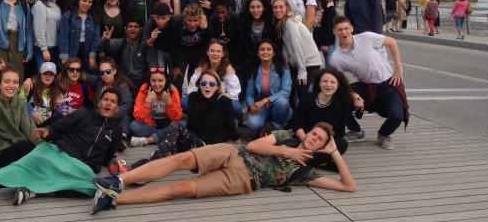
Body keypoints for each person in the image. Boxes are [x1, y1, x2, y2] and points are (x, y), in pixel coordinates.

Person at [90, 121, 356, 213]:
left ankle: (113, 200)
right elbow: (254, 146)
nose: (314, 138)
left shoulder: (305, 172)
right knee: (181, 160)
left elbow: (348, 186)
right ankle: (119, 181)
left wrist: (335, 152)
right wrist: (288, 150)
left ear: (322, 146)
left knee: (180, 188)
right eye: (314, 133)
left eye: (320, 139)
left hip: (243, 180)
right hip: (234, 153)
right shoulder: (287, 137)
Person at [0, 89, 123, 218]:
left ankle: (34, 192)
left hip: (81, 169)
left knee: (93, 188)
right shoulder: (83, 114)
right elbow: (59, 127)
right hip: (56, 154)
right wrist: (47, 131)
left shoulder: (115, 129)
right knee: (9, 172)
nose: (108, 103)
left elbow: (108, 156)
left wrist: (115, 164)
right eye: (105, 99)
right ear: (99, 102)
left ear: (118, 108)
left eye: (113, 102)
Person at [110, 69, 240, 174]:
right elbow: (192, 125)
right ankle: (134, 170)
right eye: (204, 83)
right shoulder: (193, 97)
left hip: (209, 147)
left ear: (217, 86)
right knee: (163, 149)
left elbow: (231, 128)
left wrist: (240, 149)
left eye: (211, 84)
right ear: (199, 84)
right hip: (193, 141)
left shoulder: (224, 101)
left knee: (174, 129)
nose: (207, 86)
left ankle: (138, 169)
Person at [330, 16, 410, 150]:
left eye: (346, 28)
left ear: (351, 29)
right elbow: (338, 83)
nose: (344, 32)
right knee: (337, 101)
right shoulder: (336, 58)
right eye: (340, 30)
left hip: (389, 82)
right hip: (367, 85)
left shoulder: (366, 37)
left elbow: (392, 42)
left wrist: (398, 66)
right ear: (334, 32)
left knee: (397, 116)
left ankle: (384, 134)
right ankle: (356, 131)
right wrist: (354, 96)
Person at [291, 67, 357, 168]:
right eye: (325, 81)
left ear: (338, 85)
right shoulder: (307, 98)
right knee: (289, 142)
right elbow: (297, 124)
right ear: (319, 83)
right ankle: (320, 163)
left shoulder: (341, 104)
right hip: (303, 140)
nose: (328, 85)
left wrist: (320, 146)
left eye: (332, 82)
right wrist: (306, 143)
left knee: (342, 143)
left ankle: (306, 161)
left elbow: (339, 133)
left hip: (323, 145)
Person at [272, 0, 322, 104]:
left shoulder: (291, 22)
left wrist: (302, 71)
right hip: (298, 62)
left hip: (309, 62)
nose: (278, 10)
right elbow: (286, 45)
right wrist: (286, 62)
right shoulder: (283, 22)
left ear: (287, 7)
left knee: (302, 92)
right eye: (275, 7)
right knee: (292, 89)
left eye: (281, 7)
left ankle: (308, 113)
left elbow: (297, 45)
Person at [184, 39, 242, 117]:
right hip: (203, 99)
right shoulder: (201, 67)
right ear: (207, 52)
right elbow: (191, 90)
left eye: (218, 51)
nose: (215, 54)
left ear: (223, 54)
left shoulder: (228, 69)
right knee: (184, 102)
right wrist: (204, 98)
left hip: (222, 100)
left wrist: (217, 100)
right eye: (212, 51)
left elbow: (233, 94)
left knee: (237, 107)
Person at [84, 58, 134, 149]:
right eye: (102, 73)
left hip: (115, 116)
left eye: (108, 71)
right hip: (99, 115)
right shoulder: (99, 82)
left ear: (114, 71)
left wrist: (112, 115)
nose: (105, 75)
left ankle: (121, 139)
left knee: (125, 117)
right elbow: (83, 75)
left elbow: (127, 105)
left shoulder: (122, 86)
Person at [245, 39, 293, 132]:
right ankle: (268, 125)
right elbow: (249, 94)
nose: (265, 52)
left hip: (279, 106)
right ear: (258, 53)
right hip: (262, 106)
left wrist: (265, 100)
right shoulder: (254, 70)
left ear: (273, 53)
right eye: (262, 49)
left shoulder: (283, 68)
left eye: (269, 49)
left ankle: (278, 127)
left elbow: (286, 91)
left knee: (282, 101)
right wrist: (251, 106)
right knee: (253, 124)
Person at [101, 17, 158, 93]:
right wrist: (105, 40)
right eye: (130, 26)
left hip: (142, 81)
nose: (133, 29)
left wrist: (152, 78)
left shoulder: (146, 44)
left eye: (136, 27)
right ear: (126, 30)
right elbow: (106, 47)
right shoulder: (120, 43)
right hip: (123, 80)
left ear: (140, 30)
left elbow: (153, 64)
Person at [130, 67, 183, 147]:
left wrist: (169, 101)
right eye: (153, 81)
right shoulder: (144, 89)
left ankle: (148, 140)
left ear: (166, 81)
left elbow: (177, 118)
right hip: (149, 122)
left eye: (160, 81)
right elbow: (138, 117)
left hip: (167, 121)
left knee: (183, 124)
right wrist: (148, 100)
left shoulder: (172, 90)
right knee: (134, 126)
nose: (157, 84)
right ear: (149, 81)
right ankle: (166, 133)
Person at [170, 4, 210, 91]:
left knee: (195, 80)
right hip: (181, 53)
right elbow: (173, 46)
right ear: (185, 18)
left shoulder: (206, 24)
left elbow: (210, 43)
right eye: (189, 20)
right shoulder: (177, 24)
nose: (192, 24)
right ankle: (177, 99)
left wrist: (205, 29)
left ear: (200, 19)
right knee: (177, 79)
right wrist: (175, 66)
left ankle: (193, 98)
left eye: (195, 20)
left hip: (198, 53)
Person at [58, 0, 100, 70]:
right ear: (78, 0)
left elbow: (96, 38)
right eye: (84, 1)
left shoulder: (94, 17)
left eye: (90, 2)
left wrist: (92, 55)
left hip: (87, 52)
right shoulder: (68, 16)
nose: (87, 4)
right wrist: (64, 56)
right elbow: (63, 37)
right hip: (71, 51)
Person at [303, 0, 337, 66]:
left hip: (327, 39)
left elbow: (330, 21)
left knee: (331, 67)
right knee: (311, 68)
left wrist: (326, 42)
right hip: (310, 39)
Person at [32, 0, 65, 71]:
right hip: (43, 48)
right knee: (43, 75)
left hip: (56, 47)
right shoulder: (40, 4)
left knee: (53, 76)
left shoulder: (57, 4)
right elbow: (39, 28)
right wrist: (44, 49)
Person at [20, 62, 63, 127]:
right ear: (40, 75)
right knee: (27, 104)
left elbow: (61, 110)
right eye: (45, 74)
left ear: (54, 77)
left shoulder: (57, 91)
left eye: (51, 74)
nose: (48, 77)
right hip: (29, 122)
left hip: (47, 125)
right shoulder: (29, 85)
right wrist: (31, 114)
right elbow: (19, 103)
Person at [206, 0, 243, 69]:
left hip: (236, 55)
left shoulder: (237, 18)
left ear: (228, 9)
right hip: (220, 55)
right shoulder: (212, 20)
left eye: (223, 12)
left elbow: (241, 40)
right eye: (217, 13)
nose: (220, 15)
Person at [143, 2, 178, 68]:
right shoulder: (150, 24)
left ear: (169, 17)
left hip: (173, 51)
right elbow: (143, 44)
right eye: (158, 18)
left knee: (175, 73)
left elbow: (186, 15)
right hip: (158, 51)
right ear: (154, 16)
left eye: (163, 18)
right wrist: (151, 39)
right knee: (159, 71)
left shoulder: (176, 22)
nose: (160, 22)